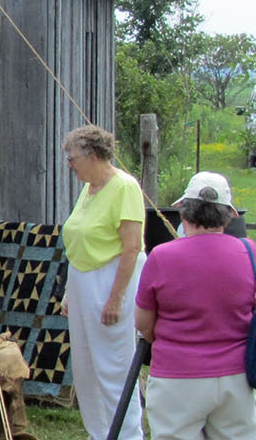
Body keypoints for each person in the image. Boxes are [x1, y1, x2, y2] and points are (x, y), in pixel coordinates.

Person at [134, 172, 256, 440]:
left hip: (177, 375)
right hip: (236, 376)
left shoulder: (161, 256)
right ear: (228, 215)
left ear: (183, 212)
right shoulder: (249, 251)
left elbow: (143, 322)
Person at [60, 125, 146, 440]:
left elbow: (132, 246)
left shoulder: (124, 187)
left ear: (94, 157)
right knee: (85, 367)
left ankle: (127, 434)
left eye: (73, 158)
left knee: (114, 365)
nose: (70, 164)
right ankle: (100, 433)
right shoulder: (89, 187)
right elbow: (80, 240)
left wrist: (115, 299)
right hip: (83, 279)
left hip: (110, 279)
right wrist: (71, 290)